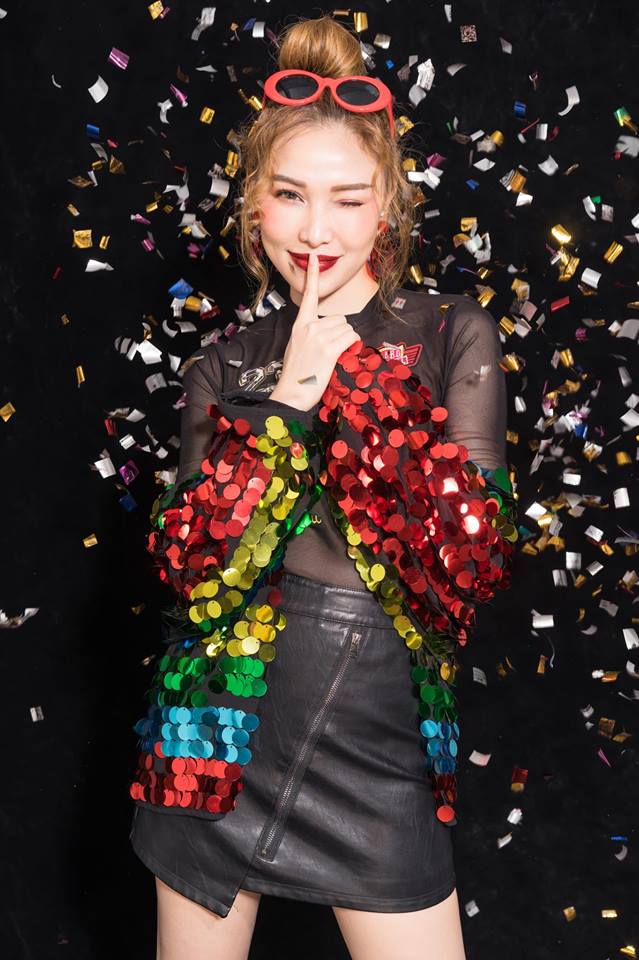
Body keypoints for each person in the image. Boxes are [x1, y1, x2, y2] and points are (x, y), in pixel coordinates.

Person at [128, 15, 517, 960]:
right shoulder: (223, 366)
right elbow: (196, 575)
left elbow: (466, 566)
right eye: (289, 195)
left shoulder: (450, 333)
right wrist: (289, 401)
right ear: (253, 205)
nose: (315, 230)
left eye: (347, 200)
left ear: (387, 207)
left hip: (379, 751)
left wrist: (357, 384)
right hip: (214, 733)